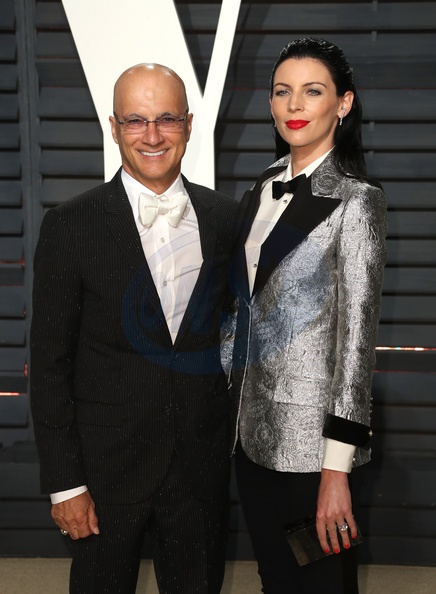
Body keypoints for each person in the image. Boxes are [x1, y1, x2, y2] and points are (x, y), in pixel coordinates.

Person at [30, 63, 238, 594]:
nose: (152, 135)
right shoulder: (69, 225)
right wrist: (65, 484)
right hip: (104, 474)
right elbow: (49, 367)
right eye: (135, 121)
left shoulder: (225, 219)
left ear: (188, 125)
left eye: (166, 119)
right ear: (114, 127)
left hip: (198, 470)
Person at [225, 37, 387, 593]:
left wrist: (335, 471)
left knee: (320, 584)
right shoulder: (261, 186)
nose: (294, 105)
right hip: (250, 437)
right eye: (282, 92)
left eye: (312, 91)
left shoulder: (357, 201)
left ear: (343, 103)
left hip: (313, 453)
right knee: (275, 579)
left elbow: (356, 345)